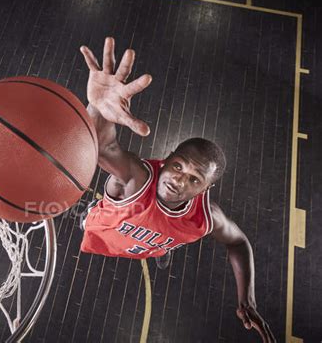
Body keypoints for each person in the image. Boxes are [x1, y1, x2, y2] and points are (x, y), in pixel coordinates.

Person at [78, 37, 276, 343]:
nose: (180, 180)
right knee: (90, 222)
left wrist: (247, 298)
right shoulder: (136, 178)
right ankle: (109, 226)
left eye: (195, 180)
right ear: (166, 159)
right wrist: (98, 107)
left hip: (148, 243)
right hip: (105, 233)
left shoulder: (207, 217)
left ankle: (160, 247)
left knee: (161, 244)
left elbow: (239, 243)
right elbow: (103, 147)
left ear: (205, 191)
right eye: (179, 166)